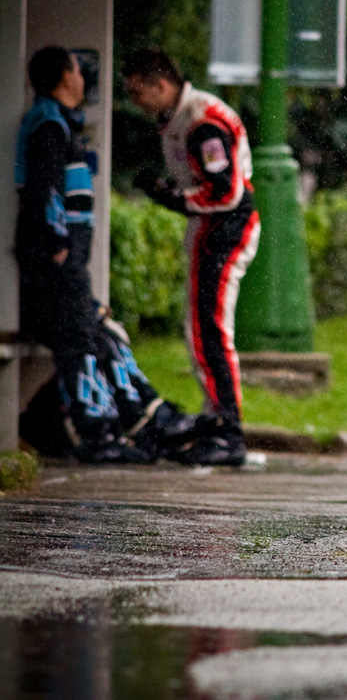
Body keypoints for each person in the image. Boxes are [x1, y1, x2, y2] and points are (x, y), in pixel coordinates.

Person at [123, 49, 259, 466]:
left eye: (137, 92)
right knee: (200, 328)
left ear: (160, 85)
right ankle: (214, 418)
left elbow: (225, 192)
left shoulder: (202, 122)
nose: (135, 102)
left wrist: (171, 197)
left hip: (224, 229)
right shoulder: (181, 119)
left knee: (210, 330)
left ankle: (228, 429)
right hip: (212, 229)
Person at [15, 47, 147, 462]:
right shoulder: (49, 125)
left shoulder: (59, 122)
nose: (83, 75)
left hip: (66, 262)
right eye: (77, 67)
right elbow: (44, 190)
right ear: (65, 77)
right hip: (56, 263)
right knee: (78, 343)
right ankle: (97, 435)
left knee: (88, 337)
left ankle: (72, 427)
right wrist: (58, 248)